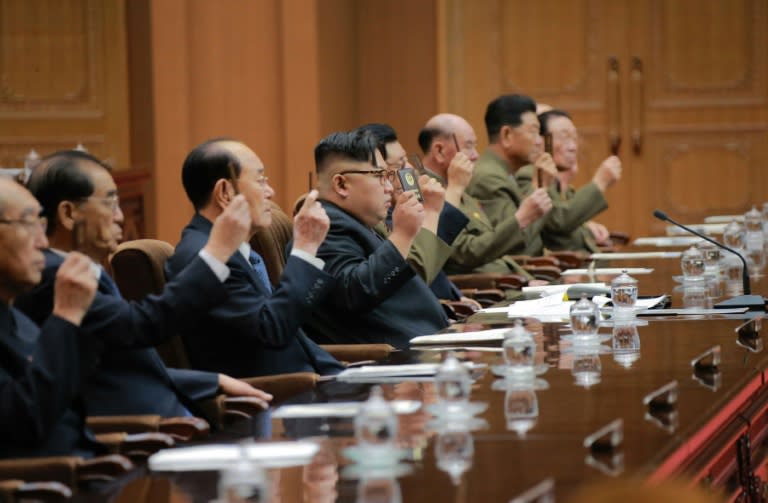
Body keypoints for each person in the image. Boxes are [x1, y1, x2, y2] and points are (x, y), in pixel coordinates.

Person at [15, 150, 272, 419]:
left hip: (174, 420)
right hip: (146, 434)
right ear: (69, 214)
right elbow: (143, 325)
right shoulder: (56, 279)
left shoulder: (76, 270)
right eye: (110, 203)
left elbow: (120, 363)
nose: (120, 217)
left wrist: (212, 381)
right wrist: (218, 250)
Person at [166, 138, 343, 377]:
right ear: (225, 192)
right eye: (260, 181)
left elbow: (292, 336)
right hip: (277, 398)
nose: (271, 191)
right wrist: (305, 248)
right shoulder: (208, 258)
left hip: (312, 384)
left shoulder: (236, 252)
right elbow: (273, 330)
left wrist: (342, 375)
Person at [302, 130, 449, 348]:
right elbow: (354, 294)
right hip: (393, 362)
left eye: (389, 177)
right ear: (341, 184)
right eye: (380, 176)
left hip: (425, 344)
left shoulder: (356, 222)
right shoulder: (324, 226)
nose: (389, 188)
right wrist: (402, 235)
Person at [0, 176, 103, 458]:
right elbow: (23, 423)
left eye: (42, 224)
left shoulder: (14, 315)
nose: (43, 241)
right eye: (28, 223)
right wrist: (67, 315)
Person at [356, 123, 470, 302]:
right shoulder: (373, 221)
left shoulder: (397, 211)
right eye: (400, 165)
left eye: (407, 160)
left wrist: (456, 297)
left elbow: (433, 267)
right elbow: (415, 274)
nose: (411, 170)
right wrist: (451, 192)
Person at [418, 113, 535, 278]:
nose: (475, 155)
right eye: (468, 146)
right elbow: (465, 253)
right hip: (486, 292)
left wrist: (527, 280)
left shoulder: (457, 186)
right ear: (439, 151)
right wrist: (521, 219)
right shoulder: (426, 194)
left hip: (509, 282)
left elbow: (492, 246)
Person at [516, 109, 622, 253]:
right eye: (564, 137)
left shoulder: (556, 180)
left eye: (575, 138)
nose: (573, 147)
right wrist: (599, 182)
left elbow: (569, 225)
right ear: (540, 141)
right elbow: (559, 223)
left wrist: (586, 226)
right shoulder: (529, 174)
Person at [465, 94, 554, 256]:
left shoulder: (504, 172)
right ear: (506, 135)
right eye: (534, 132)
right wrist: (539, 188)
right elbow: (515, 244)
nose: (539, 141)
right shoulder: (488, 178)